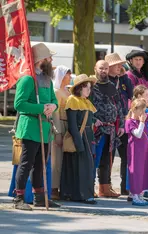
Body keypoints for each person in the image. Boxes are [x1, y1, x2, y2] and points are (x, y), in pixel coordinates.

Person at [12, 43, 60, 210]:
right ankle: (18, 198)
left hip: (44, 128)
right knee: (26, 163)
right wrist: (41, 108)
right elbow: (19, 104)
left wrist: (53, 106)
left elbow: (54, 100)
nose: (51, 60)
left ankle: (39, 198)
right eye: (49, 57)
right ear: (41, 60)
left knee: (41, 163)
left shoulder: (47, 79)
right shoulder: (27, 79)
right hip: (31, 126)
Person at [60, 74, 97, 204]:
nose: (89, 90)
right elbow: (72, 125)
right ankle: (80, 195)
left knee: (86, 167)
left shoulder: (87, 102)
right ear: (79, 88)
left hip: (87, 137)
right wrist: (79, 143)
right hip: (79, 138)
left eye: (89, 88)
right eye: (86, 87)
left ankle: (84, 194)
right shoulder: (72, 100)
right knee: (78, 167)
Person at [91, 60, 124, 198]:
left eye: (105, 68)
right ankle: (89, 187)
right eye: (101, 68)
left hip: (111, 130)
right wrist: (92, 120)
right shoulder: (91, 85)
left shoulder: (111, 86)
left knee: (107, 160)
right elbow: (85, 106)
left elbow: (119, 106)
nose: (103, 71)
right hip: (96, 130)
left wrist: (121, 124)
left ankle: (105, 188)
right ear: (95, 69)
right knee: (94, 159)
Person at [106, 52, 133, 195]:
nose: (119, 67)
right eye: (116, 65)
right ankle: (106, 185)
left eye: (120, 65)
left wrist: (123, 76)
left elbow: (131, 93)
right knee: (108, 156)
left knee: (125, 155)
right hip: (110, 122)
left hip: (123, 121)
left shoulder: (122, 79)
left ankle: (125, 186)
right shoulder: (105, 80)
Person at [127, 85, 148, 200]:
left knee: (144, 171)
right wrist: (141, 122)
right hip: (135, 150)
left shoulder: (145, 116)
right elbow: (138, 134)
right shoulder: (130, 122)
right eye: (146, 95)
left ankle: (140, 194)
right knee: (135, 171)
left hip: (144, 149)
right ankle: (134, 194)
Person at [51, 65, 71, 200]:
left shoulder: (68, 92)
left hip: (68, 126)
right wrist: (57, 132)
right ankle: (53, 188)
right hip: (60, 125)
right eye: (67, 74)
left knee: (64, 159)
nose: (70, 77)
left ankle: (64, 187)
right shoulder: (57, 92)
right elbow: (55, 113)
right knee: (56, 159)